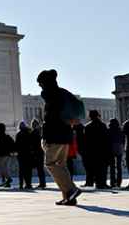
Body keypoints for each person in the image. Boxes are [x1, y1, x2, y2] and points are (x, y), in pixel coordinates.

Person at [37, 69, 81, 205]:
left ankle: (71, 189)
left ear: (45, 83)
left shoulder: (51, 94)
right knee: (61, 165)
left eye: (40, 83)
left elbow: (52, 117)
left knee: (50, 163)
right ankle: (68, 196)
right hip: (65, 135)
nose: (40, 87)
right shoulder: (63, 93)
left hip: (54, 135)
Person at [83, 111, 110, 188]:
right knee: (102, 168)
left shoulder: (87, 127)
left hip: (91, 151)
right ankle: (102, 183)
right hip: (102, 150)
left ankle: (93, 182)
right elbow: (106, 139)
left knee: (92, 167)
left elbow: (86, 141)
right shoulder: (103, 125)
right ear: (98, 116)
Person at [0, 123, 15, 188]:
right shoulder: (0, 137)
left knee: (1, 167)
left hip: (3, 155)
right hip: (5, 154)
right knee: (4, 168)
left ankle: (8, 179)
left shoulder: (1, 137)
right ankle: (6, 182)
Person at [15, 121, 35, 190]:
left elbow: (16, 145)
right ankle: (28, 184)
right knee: (28, 170)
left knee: (21, 170)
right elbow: (32, 143)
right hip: (28, 154)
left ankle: (21, 184)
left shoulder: (18, 134)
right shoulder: (29, 133)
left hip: (21, 155)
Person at [108, 118, 124, 188]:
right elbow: (123, 139)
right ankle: (119, 182)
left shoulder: (108, 130)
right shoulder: (120, 130)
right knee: (119, 166)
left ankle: (112, 182)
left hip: (111, 148)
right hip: (119, 148)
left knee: (112, 166)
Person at [31, 118, 47, 188]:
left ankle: (42, 183)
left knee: (39, 169)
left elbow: (32, 144)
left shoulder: (34, 132)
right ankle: (43, 182)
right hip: (41, 152)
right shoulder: (41, 131)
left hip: (36, 153)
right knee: (40, 169)